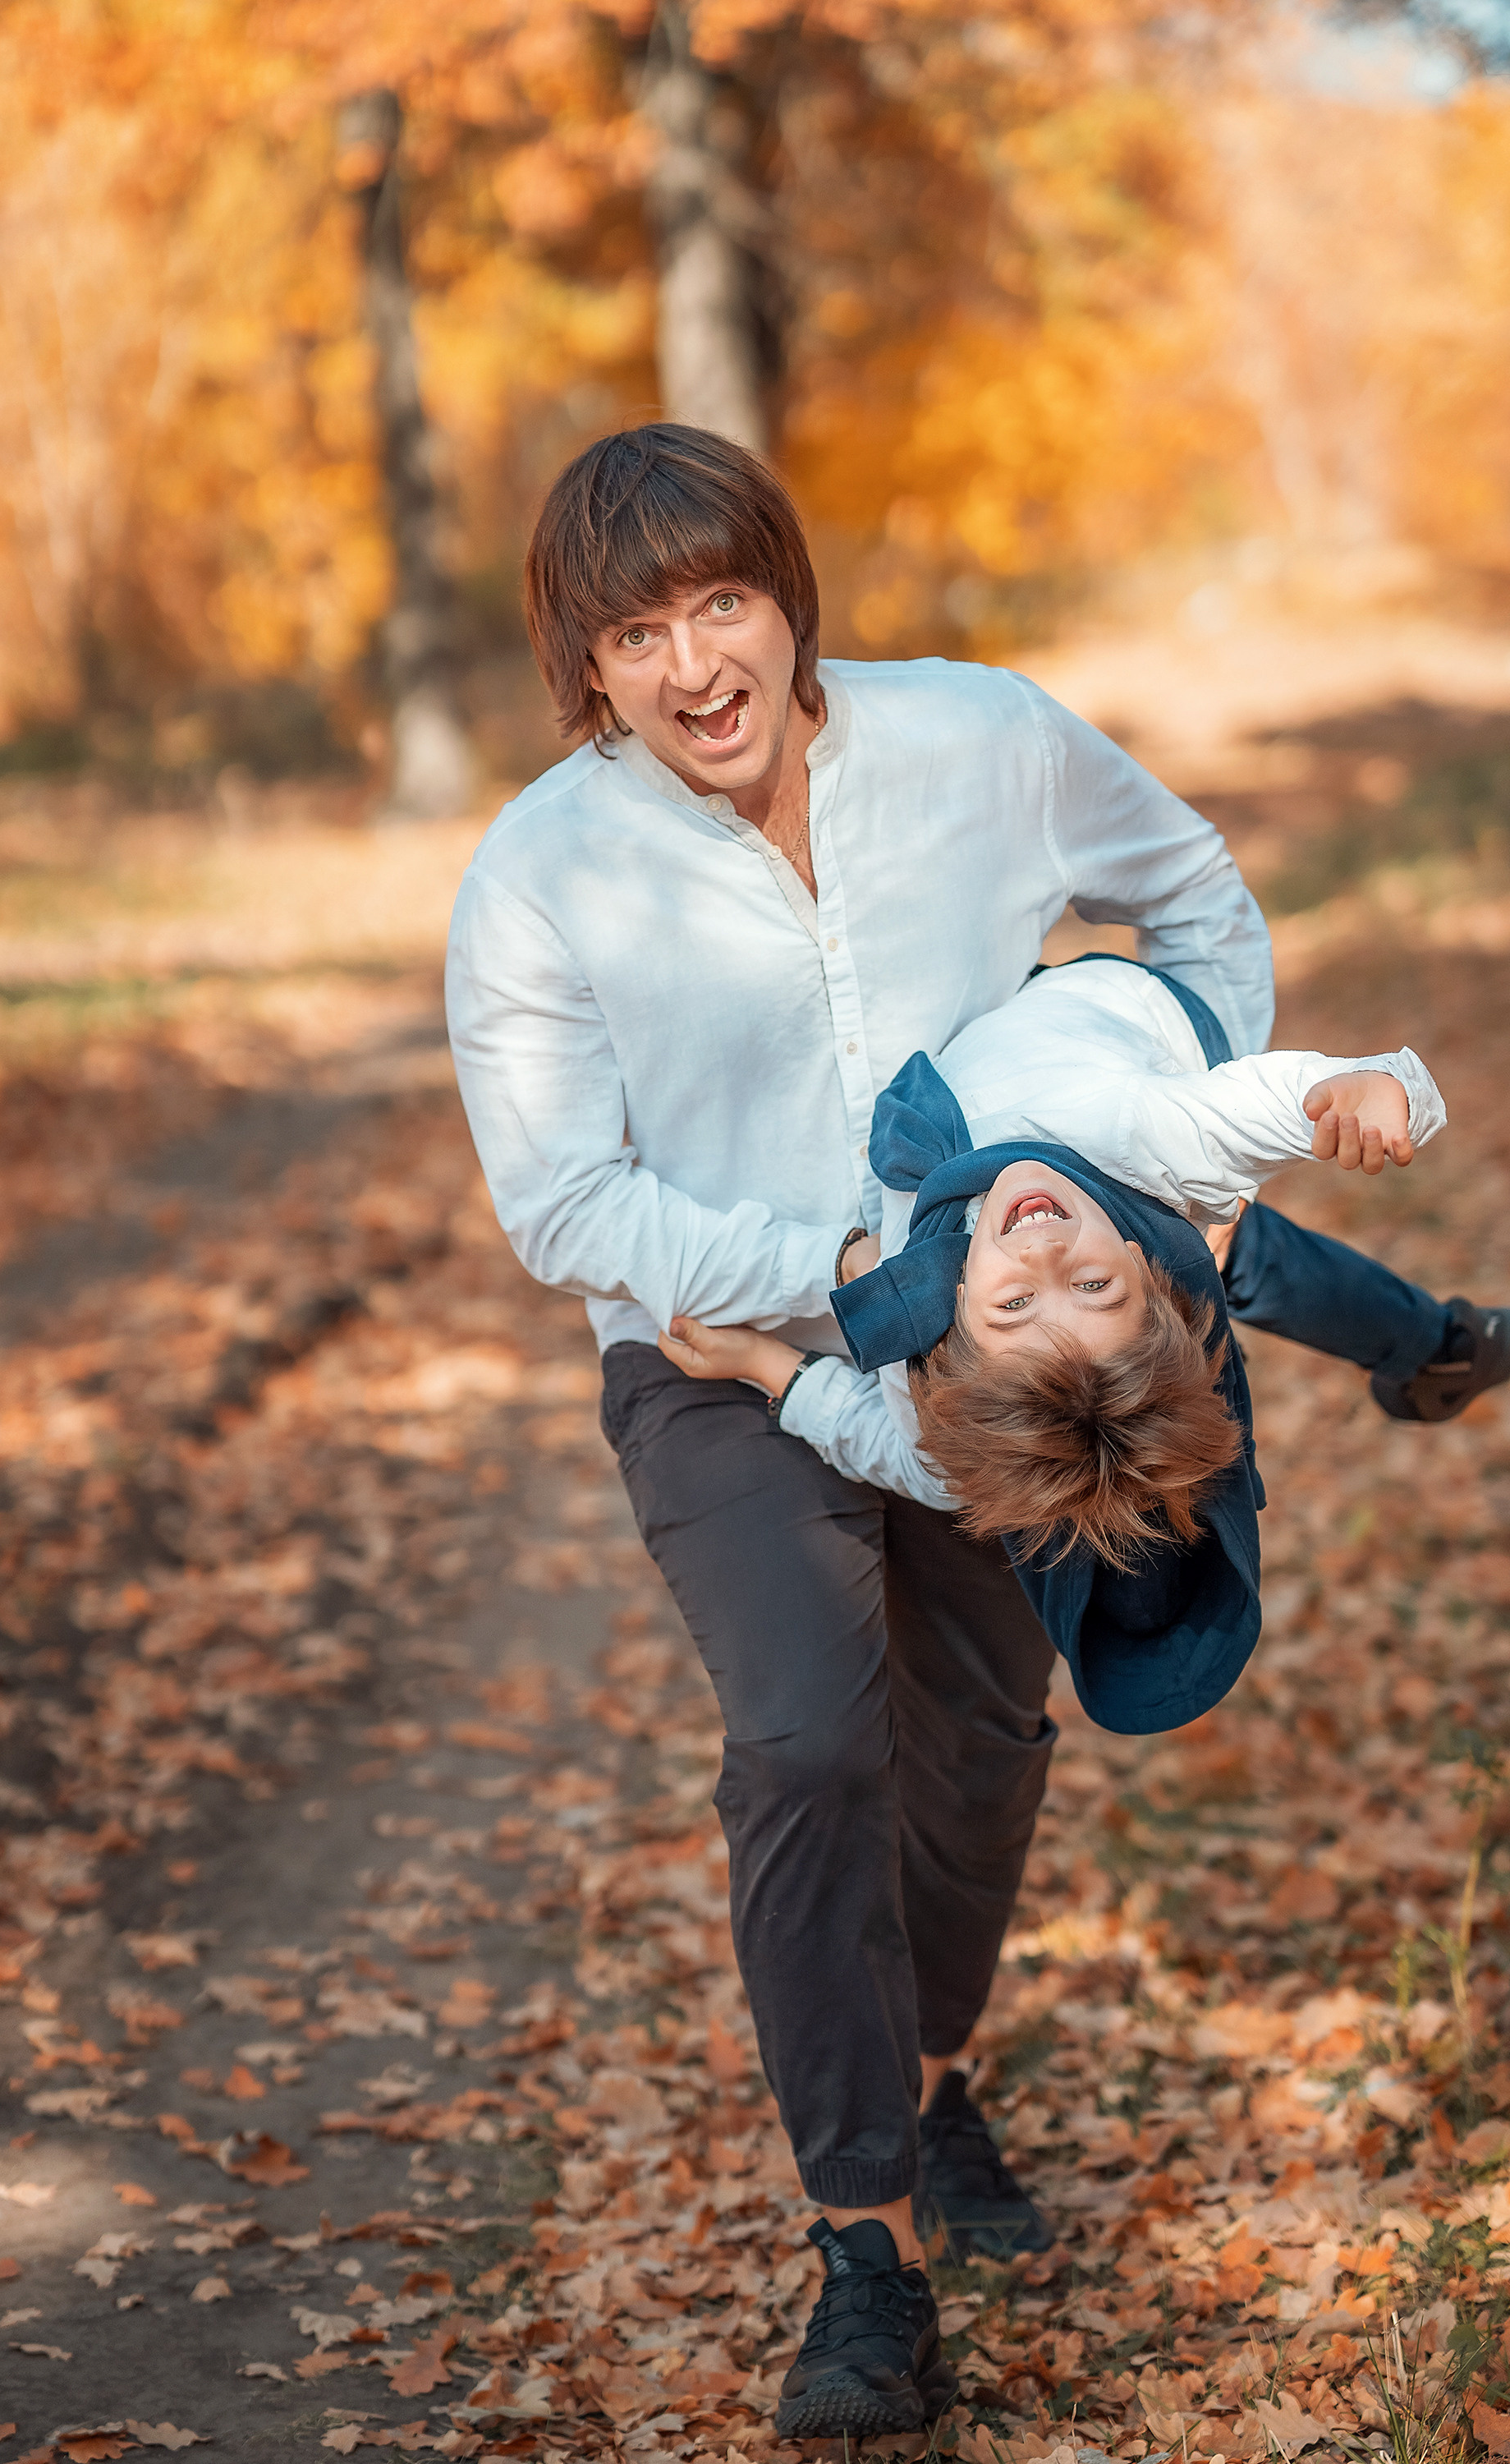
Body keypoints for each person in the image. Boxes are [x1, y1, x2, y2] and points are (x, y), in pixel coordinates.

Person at [446, 421, 1279, 2443]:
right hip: (715, 1350)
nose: (692, 666)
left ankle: (925, 2071)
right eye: (634, 635)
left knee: (983, 1738)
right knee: (810, 1741)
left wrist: (1179, 1161)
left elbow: (1189, 890)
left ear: (784, 594)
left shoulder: (979, 740)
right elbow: (563, 1201)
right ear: (584, 664)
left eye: (720, 603)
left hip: (997, 1344)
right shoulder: (541, 874)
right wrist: (830, 1271)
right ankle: (864, 2251)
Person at [660, 952, 1505, 1744]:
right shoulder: (1150, 1135)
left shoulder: (936, 1388)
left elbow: (885, 1447)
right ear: (1145, 1266)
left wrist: (771, 1369)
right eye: (1093, 1286)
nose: (1042, 1252)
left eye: (1014, 1304)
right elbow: (1268, 1105)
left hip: (1096, 1187)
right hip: (1132, 1017)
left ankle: (1430, 1351)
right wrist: (1368, 1088)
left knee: (1214, 1260)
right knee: (1219, 1243)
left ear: (954, 1317)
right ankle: (1429, 1345)